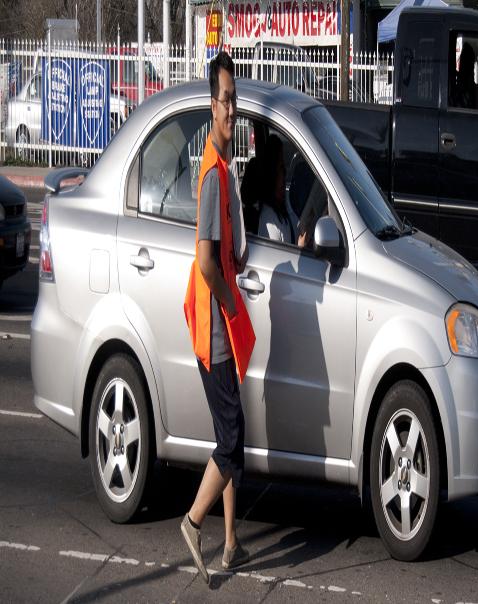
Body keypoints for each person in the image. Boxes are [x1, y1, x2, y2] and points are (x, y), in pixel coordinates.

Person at [182, 50, 255, 584]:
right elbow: (206, 262)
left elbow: (224, 251)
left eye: (236, 100)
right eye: (226, 101)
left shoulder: (224, 168)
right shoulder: (212, 173)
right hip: (214, 327)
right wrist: (230, 301)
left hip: (219, 322)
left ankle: (230, 542)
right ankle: (193, 522)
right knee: (231, 440)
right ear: (212, 106)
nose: (233, 109)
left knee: (228, 433)